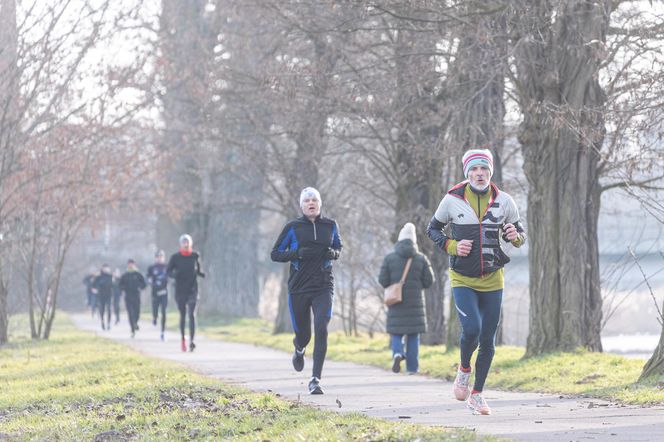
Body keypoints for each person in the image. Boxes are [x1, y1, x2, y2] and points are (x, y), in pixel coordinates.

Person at [427, 148, 526, 415]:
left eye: (484, 169)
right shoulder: (452, 200)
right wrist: (451, 245)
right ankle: (463, 369)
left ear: (490, 172)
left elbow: (519, 236)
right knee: (471, 329)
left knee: (488, 340)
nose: (479, 174)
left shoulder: (504, 201)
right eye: (474, 170)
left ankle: (478, 394)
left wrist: (514, 235)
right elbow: (432, 229)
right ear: (467, 173)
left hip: (493, 278)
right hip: (463, 278)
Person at [270, 187, 342, 395]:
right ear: (301, 206)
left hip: (323, 285)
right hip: (299, 287)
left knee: (321, 326)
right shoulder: (293, 227)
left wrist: (334, 253)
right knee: (304, 334)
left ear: (320, 204)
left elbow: (338, 247)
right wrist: (297, 253)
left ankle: (315, 379)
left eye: (315, 200)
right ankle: (299, 349)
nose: (311, 203)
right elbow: (275, 254)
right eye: (307, 200)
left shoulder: (330, 225)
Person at [378, 222, 434, 375]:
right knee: (413, 335)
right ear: (414, 240)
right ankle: (412, 368)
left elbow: (382, 280)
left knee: (396, 332)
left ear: (399, 239)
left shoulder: (389, 258)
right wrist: (417, 286)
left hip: (396, 302)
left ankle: (397, 353)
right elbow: (429, 281)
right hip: (415, 303)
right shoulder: (421, 259)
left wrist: (394, 284)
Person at [167, 234, 205, 352]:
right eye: (184, 242)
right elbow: (168, 272)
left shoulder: (195, 256)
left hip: (193, 289)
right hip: (180, 290)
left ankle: (192, 341)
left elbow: (198, 270)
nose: (186, 244)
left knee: (192, 315)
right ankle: (183, 339)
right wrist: (175, 275)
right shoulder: (175, 257)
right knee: (183, 315)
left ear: (191, 244)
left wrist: (202, 274)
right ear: (181, 244)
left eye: (187, 242)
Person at [119, 259, 146, 338]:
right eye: (129, 264)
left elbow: (144, 284)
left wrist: (140, 287)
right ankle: (132, 329)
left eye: (132, 264)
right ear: (128, 265)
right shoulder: (125, 275)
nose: (130, 265)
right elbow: (120, 285)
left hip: (136, 296)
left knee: (137, 312)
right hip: (128, 296)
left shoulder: (138, 274)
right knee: (130, 313)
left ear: (134, 265)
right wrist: (123, 288)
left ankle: (135, 323)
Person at [147, 250, 169, 341]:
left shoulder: (167, 267)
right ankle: (155, 317)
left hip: (164, 292)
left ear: (163, 258)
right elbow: (148, 278)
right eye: (158, 257)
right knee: (155, 309)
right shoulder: (152, 267)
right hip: (155, 292)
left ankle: (162, 332)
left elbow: (170, 275)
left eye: (161, 257)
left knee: (164, 311)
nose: (159, 258)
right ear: (155, 258)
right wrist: (151, 281)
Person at [92, 264, 114, 330]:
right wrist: (95, 290)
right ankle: (102, 321)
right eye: (105, 268)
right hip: (101, 295)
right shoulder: (98, 277)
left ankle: (108, 323)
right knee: (102, 310)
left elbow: (113, 285)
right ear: (102, 269)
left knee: (109, 309)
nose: (106, 269)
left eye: (107, 268)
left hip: (109, 295)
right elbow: (93, 286)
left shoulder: (110, 276)